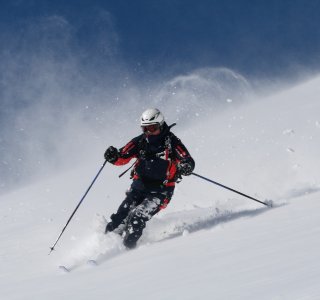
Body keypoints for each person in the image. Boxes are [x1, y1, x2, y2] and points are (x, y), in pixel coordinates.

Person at [104, 108, 195, 249]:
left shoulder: (171, 142)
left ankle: (126, 252)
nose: (148, 132)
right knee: (120, 217)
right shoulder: (140, 142)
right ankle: (104, 246)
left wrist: (186, 166)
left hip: (161, 191)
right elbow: (122, 157)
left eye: (152, 128)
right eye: (145, 128)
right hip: (138, 187)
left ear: (161, 124)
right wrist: (113, 156)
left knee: (137, 218)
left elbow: (186, 159)